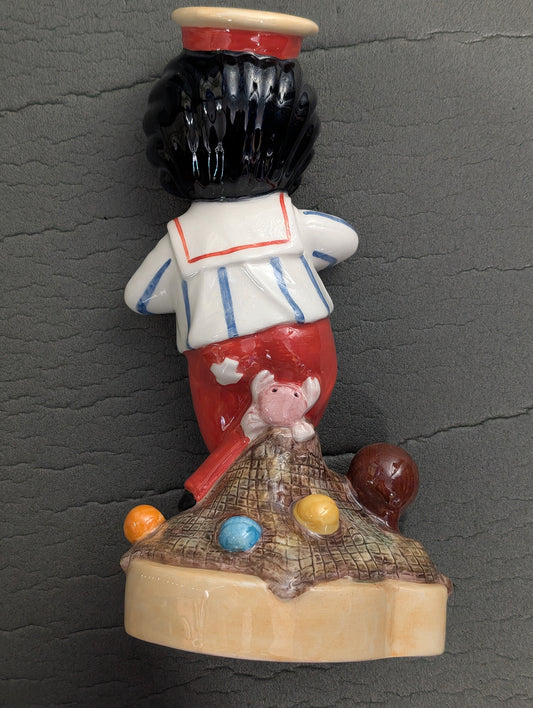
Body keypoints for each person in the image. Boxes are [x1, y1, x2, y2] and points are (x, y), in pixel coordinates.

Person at [125, 26, 358, 499]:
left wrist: (199, 285)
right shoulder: (288, 220)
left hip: (218, 354)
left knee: (234, 438)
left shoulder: (183, 237)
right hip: (304, 338)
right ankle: (245, 494)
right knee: (292, 433)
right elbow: (343, 241)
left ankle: (217, 493)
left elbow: (142, 297)